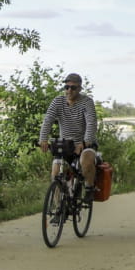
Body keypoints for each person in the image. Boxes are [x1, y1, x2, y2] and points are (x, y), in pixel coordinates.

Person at [38, 72, 99, 201]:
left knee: (85, 161)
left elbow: (91, 123)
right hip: (66, 145)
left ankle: (89, 188)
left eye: (73, 87)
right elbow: (48, 120)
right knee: (55, 173)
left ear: (80, 89)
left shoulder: (86, 102)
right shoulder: (58, 101)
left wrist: (85, 143)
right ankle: (58, 207)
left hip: (85, 144)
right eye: (67, 87)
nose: (69, 90)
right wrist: (43, 139)